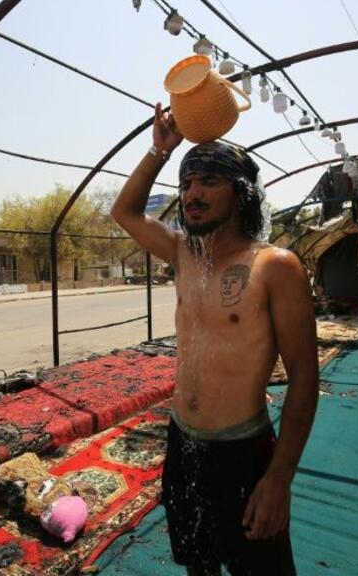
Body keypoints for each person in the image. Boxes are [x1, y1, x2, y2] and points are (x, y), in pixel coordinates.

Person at [111, 104, 319, 575]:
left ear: (241, 192)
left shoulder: (274, 266)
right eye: (186, 184)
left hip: (242, 452)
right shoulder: (185, 253)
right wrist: (159, 152)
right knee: (197, 562)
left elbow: (305, 379)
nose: (192, 194)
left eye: (208, 182)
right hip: (183, 442)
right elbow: (123, 211)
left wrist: (278, 479)